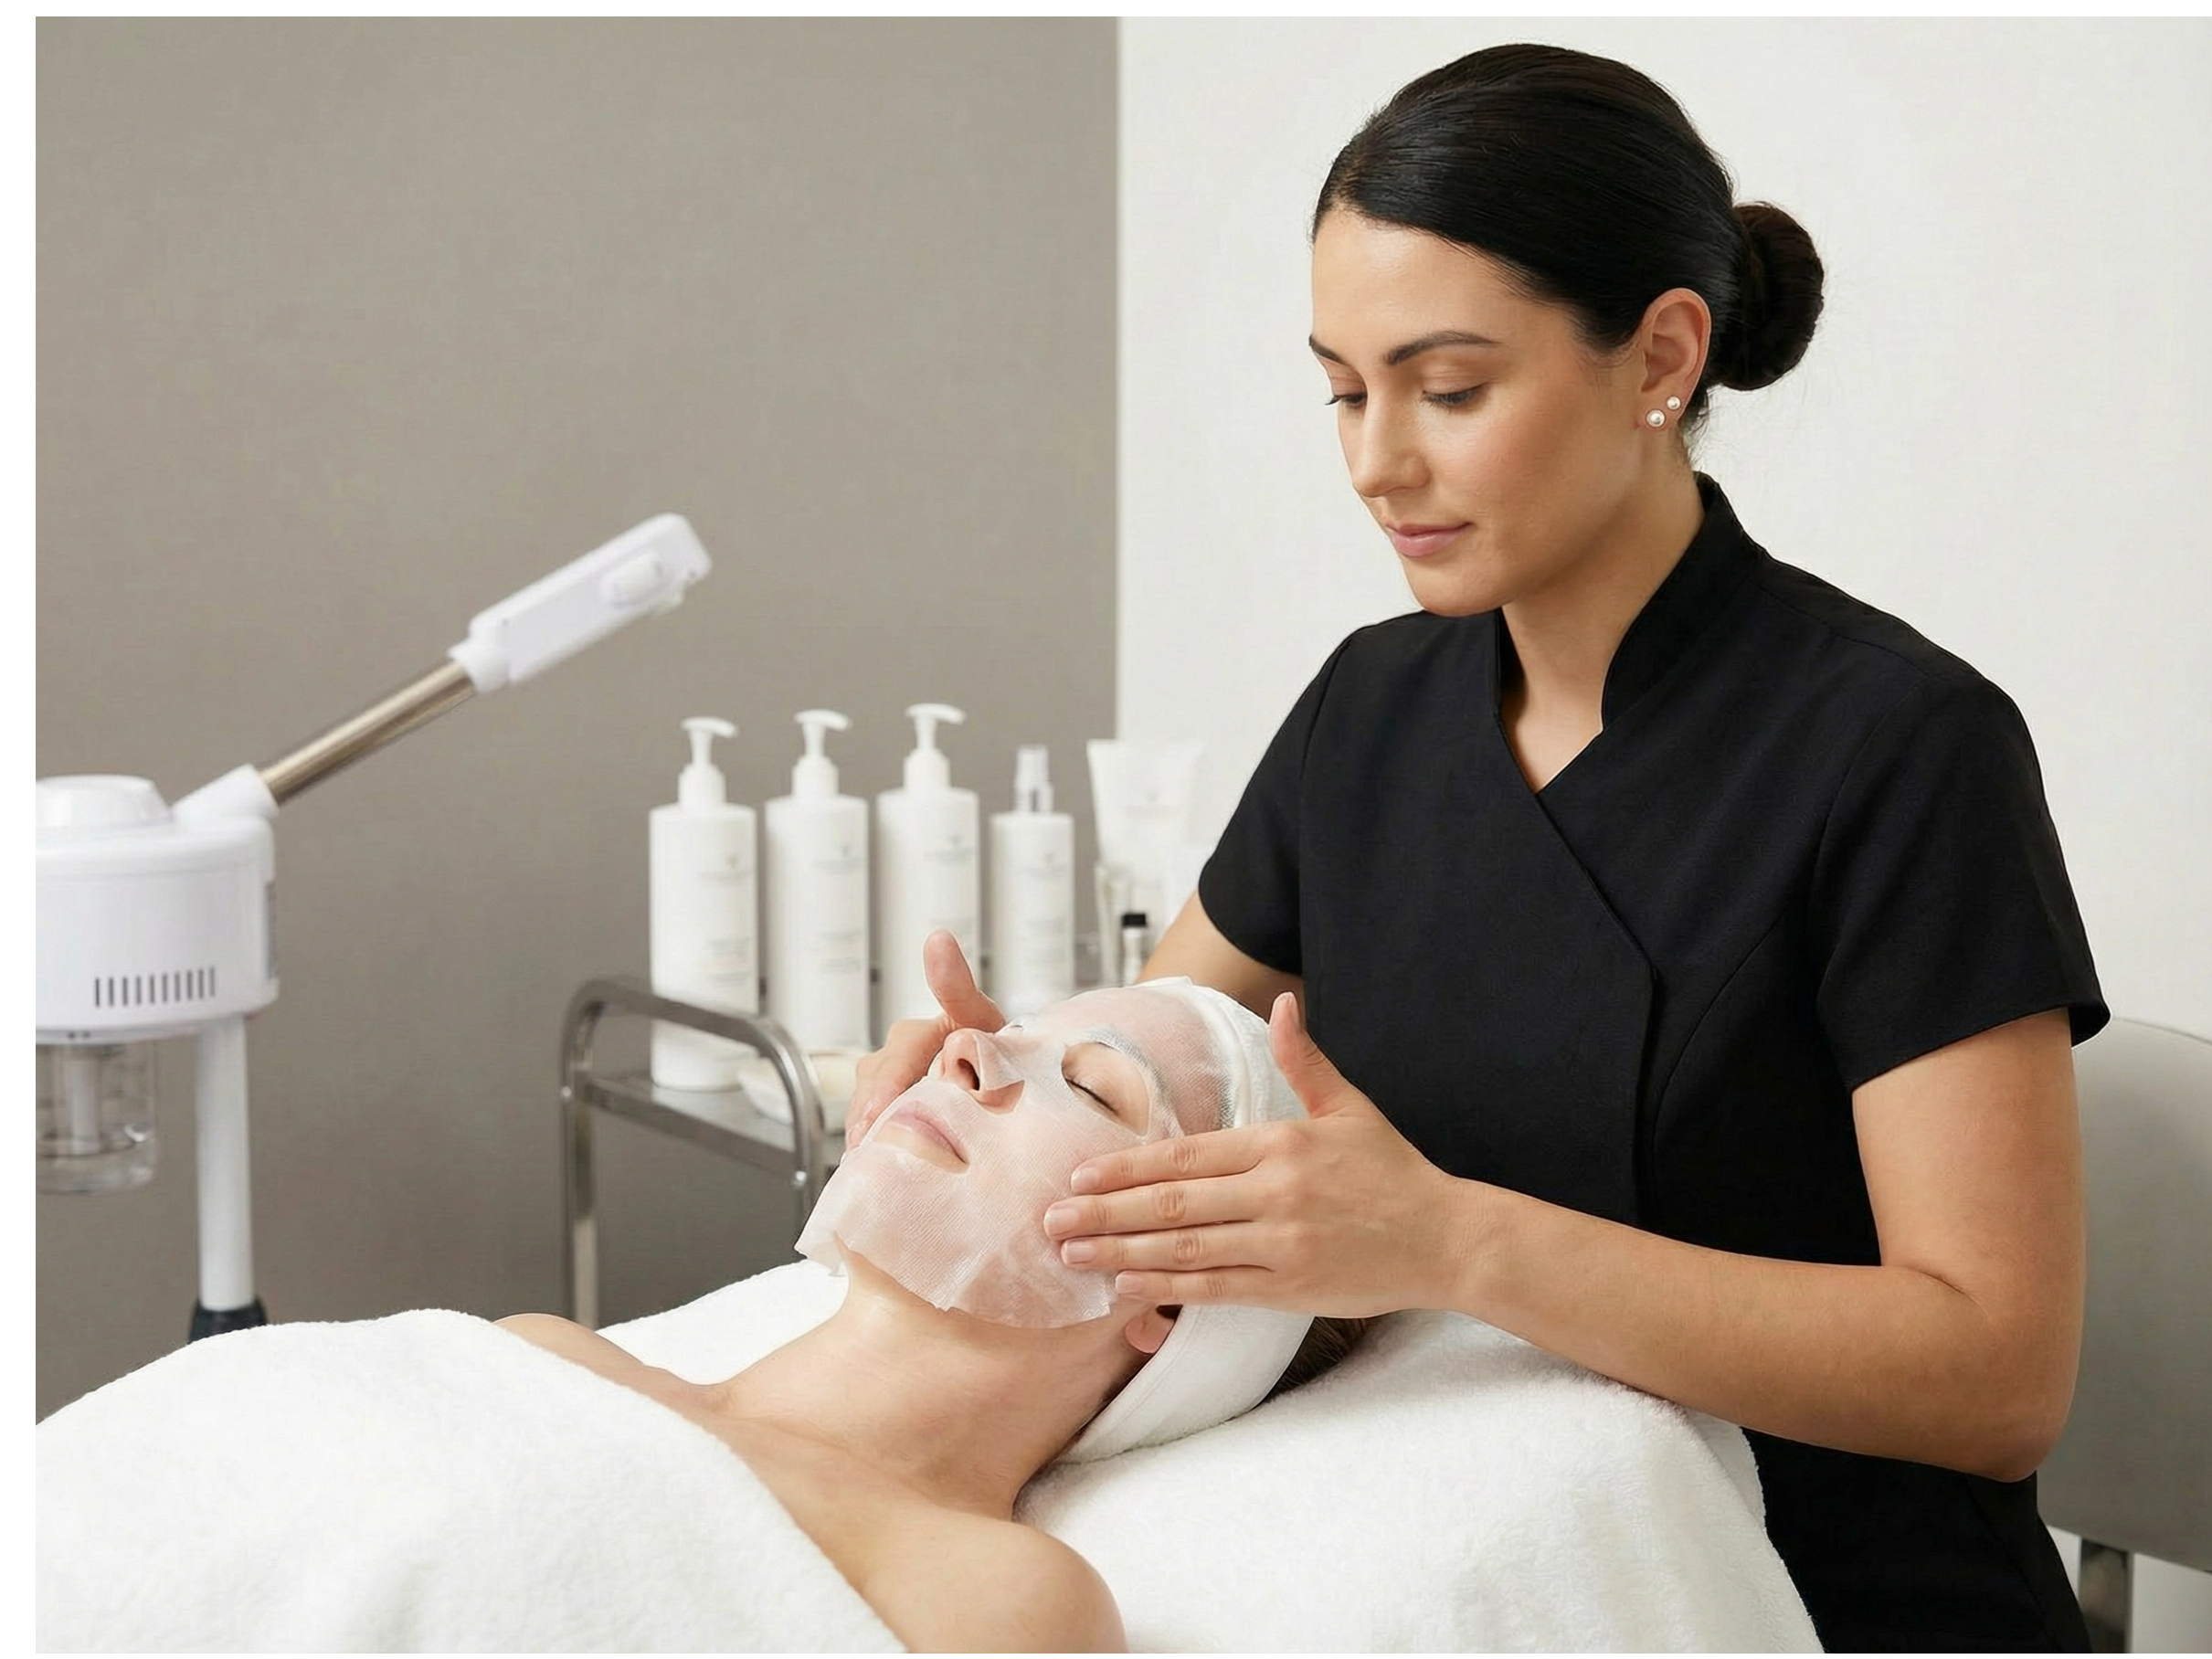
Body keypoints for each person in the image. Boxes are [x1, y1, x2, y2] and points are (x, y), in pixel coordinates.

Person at [852, 43, 2106, 1655]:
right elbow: (1171, 1094)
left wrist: (1448, 1238)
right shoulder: (1371, 711)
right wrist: (990, 1091)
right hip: (1451, 1573)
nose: (1377, 461)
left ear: (1661, 352)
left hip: (1818, 1598)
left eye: (1449, 390)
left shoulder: (1899, 748)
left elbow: (1996, 1378)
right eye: (1343, 388)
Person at [39, 975, 1359, 1655]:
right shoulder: (534, 1356)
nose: (961, 1052)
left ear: (1174, 1295)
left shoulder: (1002, 1596)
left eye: (1092, 1084)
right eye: (1005, 1035)